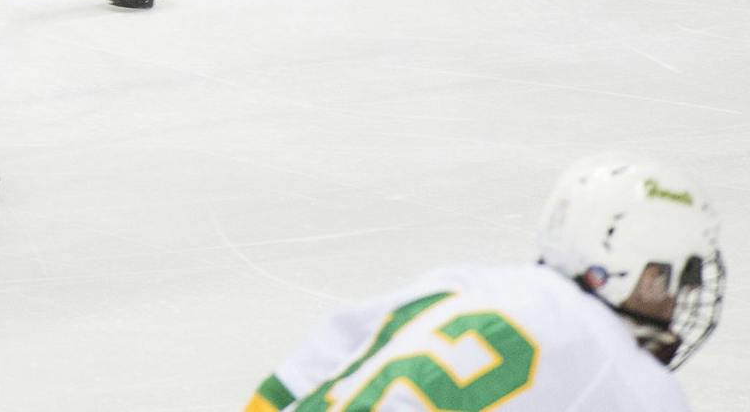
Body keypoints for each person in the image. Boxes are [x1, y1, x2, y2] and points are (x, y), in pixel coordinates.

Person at [245, 155, 726, 411]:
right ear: (636, 273)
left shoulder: (461, 285)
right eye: (677, 277)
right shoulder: (628, 379)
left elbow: (290, 383)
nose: (680, 297)